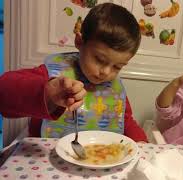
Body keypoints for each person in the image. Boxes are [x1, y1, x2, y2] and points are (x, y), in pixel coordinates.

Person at [0, 3, 147, 142]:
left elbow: (125, 120)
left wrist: (142, 144)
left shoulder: (114, 87)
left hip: (98, 158)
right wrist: (48, 93)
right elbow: (4, 92)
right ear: (79, 42)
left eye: (117, 67)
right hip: (46, 159)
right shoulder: (54, 72)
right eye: (99, 60)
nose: (106, 72)